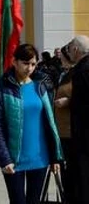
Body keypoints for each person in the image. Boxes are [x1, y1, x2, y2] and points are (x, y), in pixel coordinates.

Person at [0, 44, 63, 204]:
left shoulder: (41, 86)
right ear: (14, 62)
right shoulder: (0, 88)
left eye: (33, 64)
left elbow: (50, 123)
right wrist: (4, 158)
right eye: (25, 63)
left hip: (40, 158)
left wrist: (55, 157)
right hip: (14, 159)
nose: (29, 68)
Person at [67, 35, 89, 203]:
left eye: (69, 49)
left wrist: (70, 101)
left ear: (75, 50)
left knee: (82, 181)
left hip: (83, 134)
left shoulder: (82, 70)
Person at [52, 45, 74, 202]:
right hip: (62, 129)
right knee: (65, 174)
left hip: (71, 130)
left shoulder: (78, 74)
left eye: (61, 56)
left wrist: (68, 101)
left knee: (71, 173)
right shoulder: (63, 74)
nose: (59, 58)